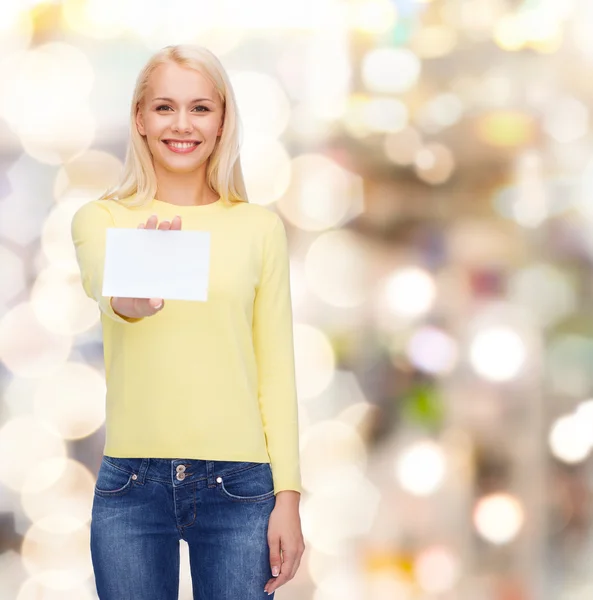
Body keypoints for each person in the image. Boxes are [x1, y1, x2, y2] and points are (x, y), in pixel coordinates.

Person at [70, 44, 305, 599]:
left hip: (242, 487)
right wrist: (132, 294)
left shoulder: (257, 228)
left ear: (223, 120)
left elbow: (276, 368)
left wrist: (289, 497)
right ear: (139, 120)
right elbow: (108, 290)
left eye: (200, 108)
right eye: (164, 108)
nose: (182, 124)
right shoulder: (101, 218)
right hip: (131, 484)